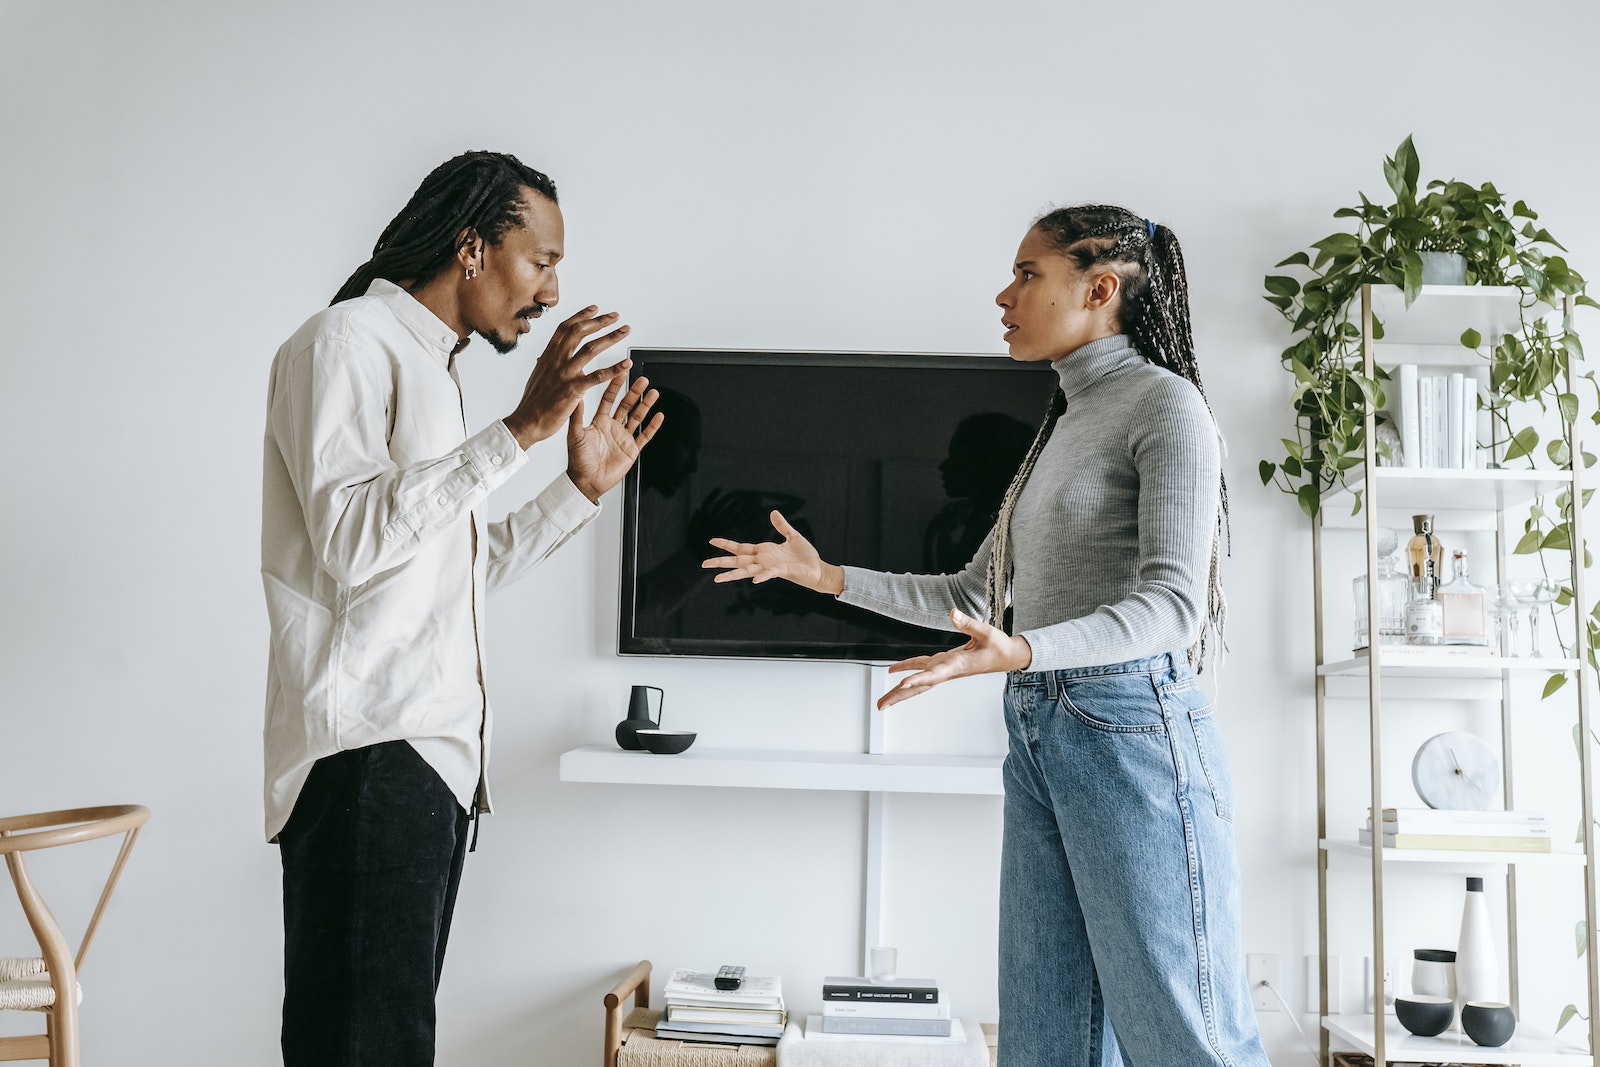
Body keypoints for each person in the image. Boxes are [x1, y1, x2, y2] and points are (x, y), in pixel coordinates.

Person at [704, 204, 1267, 1066]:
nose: (1005, 294)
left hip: (1133, 736)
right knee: (1046, 1043)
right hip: (1042, 733)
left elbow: (1172, 608)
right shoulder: (1064, 423)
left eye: (1028, 274)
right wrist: (824, 576)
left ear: (1100, 288)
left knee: (1183, 1038)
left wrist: (1029, 650)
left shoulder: (1167, 407)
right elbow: (974, 591)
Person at [260, 150, 661, 1066]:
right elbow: (353, 541)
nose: (553, 291)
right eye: (542, 259)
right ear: (472, 246)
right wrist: (520, 427)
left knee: (387, 1044)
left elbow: (454, 572)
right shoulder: (346, 343)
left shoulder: (435, 373)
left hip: (427, 764)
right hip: (370, 754)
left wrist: (578, 489)